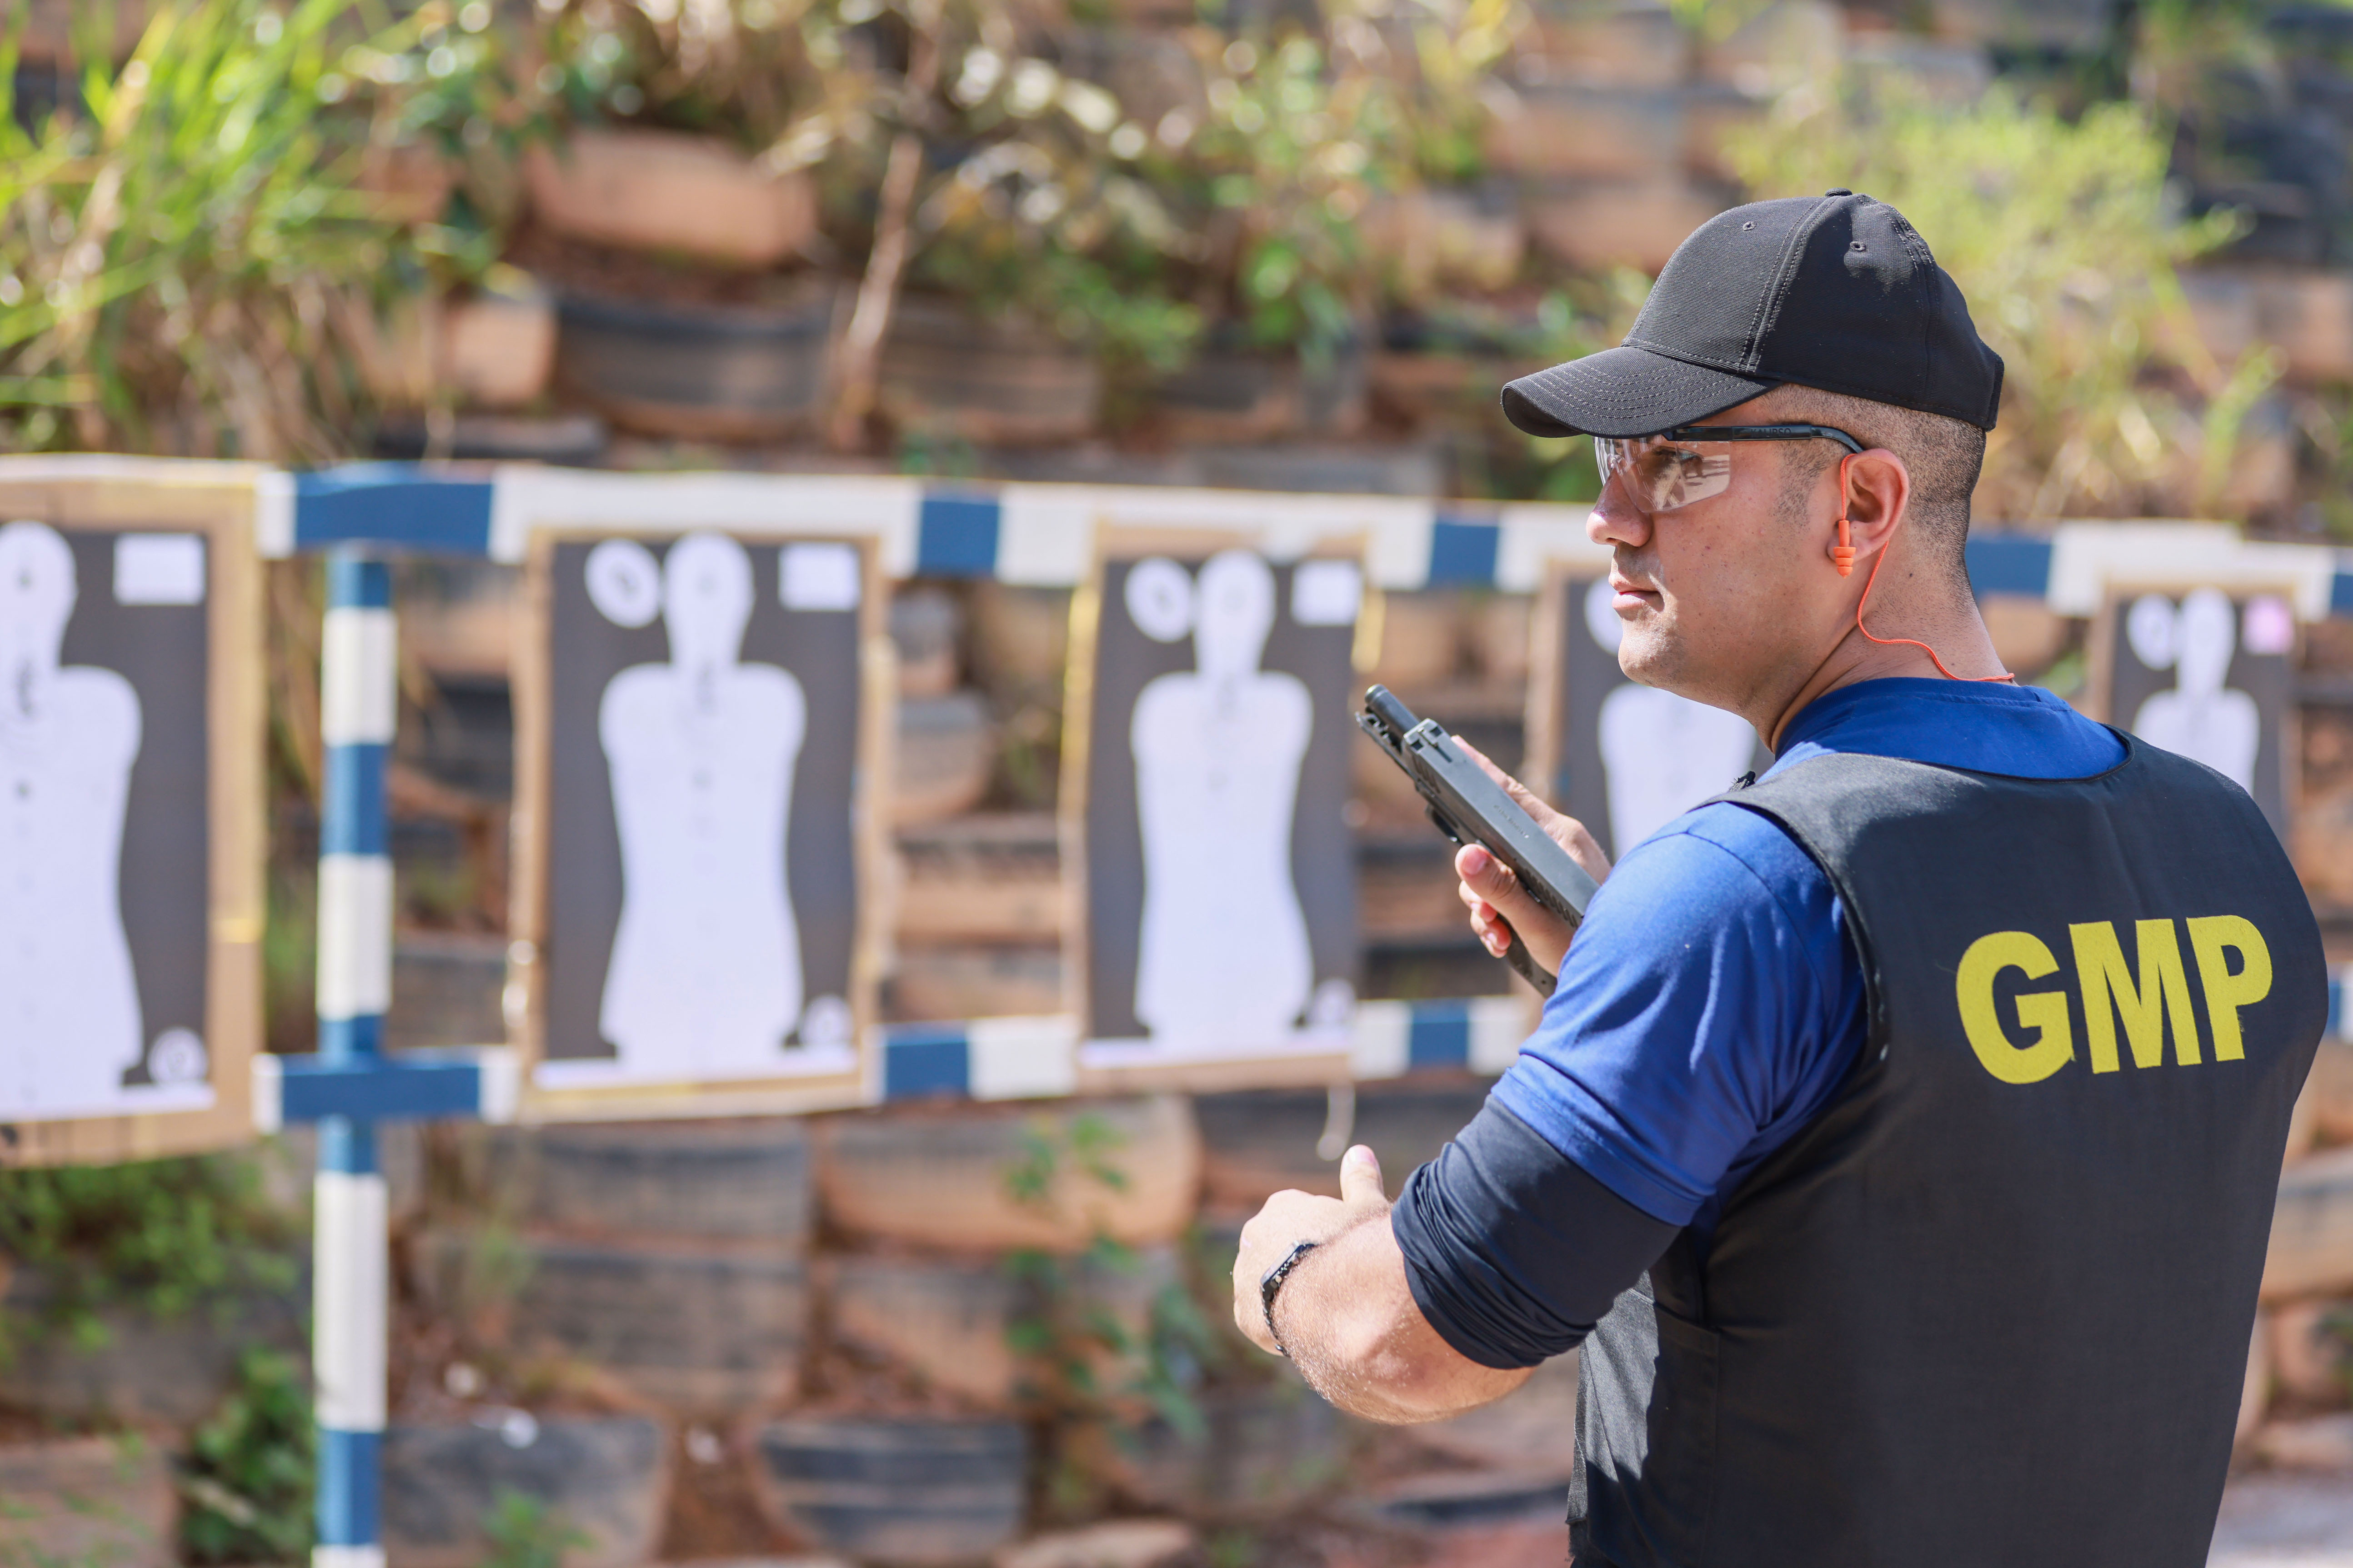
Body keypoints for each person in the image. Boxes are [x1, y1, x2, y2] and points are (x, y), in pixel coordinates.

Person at [1230, 190, 2328, 1567]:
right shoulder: (2226, 852)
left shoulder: (1745, 903)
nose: (1611, 519)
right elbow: (1967, 1180)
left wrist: (1289, 1264)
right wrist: (1640, 967)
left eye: (1678, 462)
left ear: (1864, 502)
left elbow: (1416, 1345)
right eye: (1614, 459)